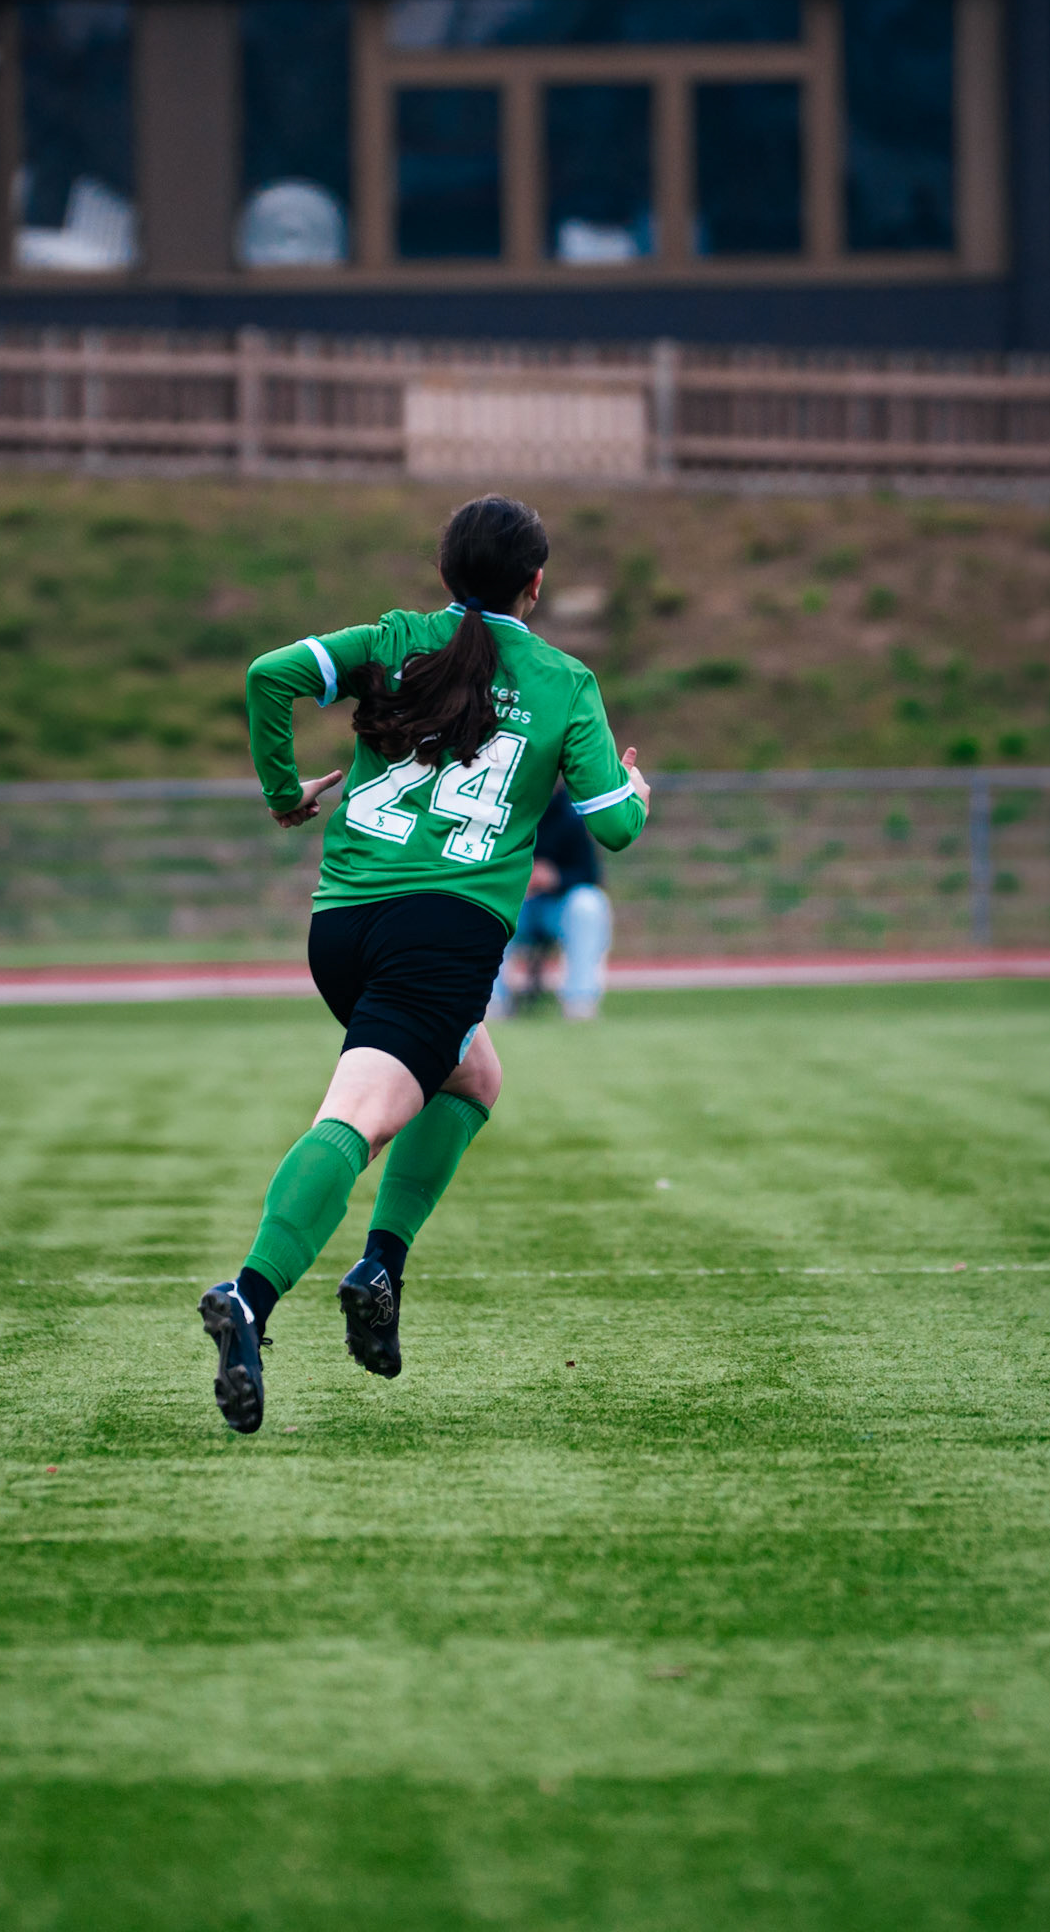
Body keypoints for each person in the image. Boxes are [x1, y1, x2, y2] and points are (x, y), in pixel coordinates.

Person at [198, 494, 650, 1434]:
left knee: (473, 1075)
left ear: (444, 570)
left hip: (341, 929)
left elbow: (267, 676)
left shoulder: (393, 637)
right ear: (535, 584)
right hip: (438, 937)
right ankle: (248, 1297)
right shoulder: (563, 680)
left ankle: (380, 1271)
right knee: (357, 1119)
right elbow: (612, 826)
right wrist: (637, 788)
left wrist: (285, 793)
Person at [490, 784, 613, 1020]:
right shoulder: (500, 810)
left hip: (557, 907)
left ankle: (580, 1002)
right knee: (485, 904)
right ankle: (489, 1004)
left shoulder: (572, 814)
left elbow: (590, 874)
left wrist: (554, 877)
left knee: (589, 904)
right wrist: (518, 877)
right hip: (514, 905)